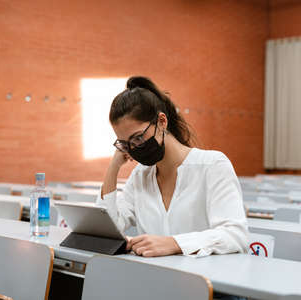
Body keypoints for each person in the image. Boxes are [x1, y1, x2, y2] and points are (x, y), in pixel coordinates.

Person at [98, 76, 249, 259]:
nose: (134, 148)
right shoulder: (141, 175)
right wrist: (114, 166)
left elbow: (235, 235)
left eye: (138, 137)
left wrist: (174, 243)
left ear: (162, 121)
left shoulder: (212, 165)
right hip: (154, 278)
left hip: (202, 280)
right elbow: (107, 227)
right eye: (126, 144)